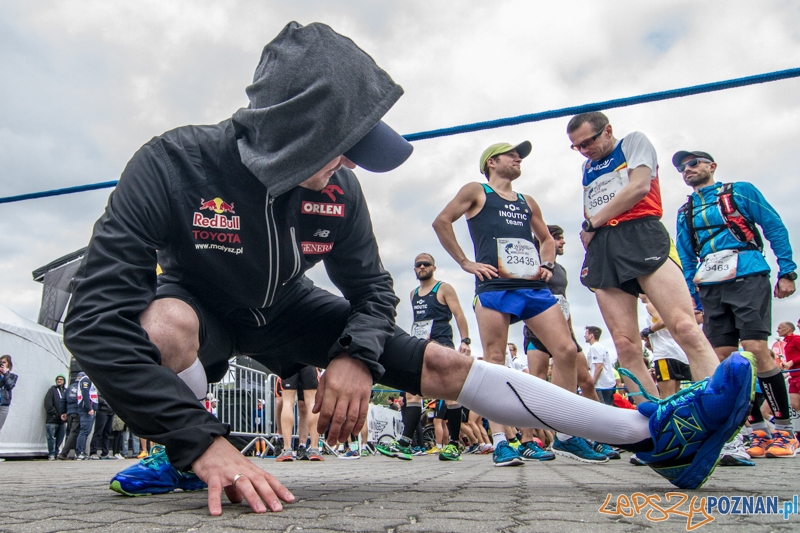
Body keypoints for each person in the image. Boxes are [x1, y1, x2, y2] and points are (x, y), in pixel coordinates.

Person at [63, 22, 756, 516]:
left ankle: (659, 435)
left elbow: (370, 289)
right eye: (346, 148)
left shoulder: (339, 190)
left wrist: (358, 355)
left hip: (289, 307)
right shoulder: (174, 163)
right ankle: (183, 458)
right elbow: (90, 320)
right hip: (203, 307)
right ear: (294, 133)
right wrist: (204, 440)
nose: (356, 166)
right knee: (163, 320)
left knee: (445, 364)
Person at [433, 141, 609, 465]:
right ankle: (501, 441)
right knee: (496, 360)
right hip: (494, 286)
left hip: (531, 287)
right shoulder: (477, 191)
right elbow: (442, 221)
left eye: (520, 156)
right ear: (491, 162)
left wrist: (547, 265)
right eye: (512, 154)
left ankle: (567, 433)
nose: (518, 159)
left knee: (567, 351)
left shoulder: (528, 201)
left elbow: (546, 240)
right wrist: (464, 262)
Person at [566, 113, 720, 402]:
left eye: (589, 141)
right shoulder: (587, 167)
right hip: (604, 245)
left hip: (641, 233)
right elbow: (594, 204)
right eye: (577, 146)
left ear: (608, 130)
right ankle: (656, 427)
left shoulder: (633, 142)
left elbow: (638, 187)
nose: (585, 150)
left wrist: (592, 223)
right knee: (625, 345)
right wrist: (591, 230)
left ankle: (722, 413)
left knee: (684, 327)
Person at [673, 149, 798, 459]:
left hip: (748, 273)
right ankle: (756, 429)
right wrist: (694, 295)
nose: (687, 169)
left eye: (694, 163)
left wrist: (788, 270)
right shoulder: (684, 211)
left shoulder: (740, 191)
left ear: (711, 166)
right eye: (682, 167)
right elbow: (686, 255)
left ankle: (785, 429)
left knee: (755, 347)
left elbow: (774, 225)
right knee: (723, 358)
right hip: (710, 284)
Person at [521, 224, 608, 461]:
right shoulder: (531, 265)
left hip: (564, 332)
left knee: (587, 381)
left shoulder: (559, 269)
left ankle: (600, 436)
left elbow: (564, 302)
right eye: (558, 239)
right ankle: (526, 441)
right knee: (536, 383)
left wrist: (571, 331)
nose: (563, 243)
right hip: (537, 332)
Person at [378, 253, 471, 461]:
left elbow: (459, 314)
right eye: (418, 265)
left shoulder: (443, 288)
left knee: (450, 394)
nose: (422, 267)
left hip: (442, 345)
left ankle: (454, 445)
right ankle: (404, 442)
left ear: (433, 267)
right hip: (419, 345)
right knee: (412, 394)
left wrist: (465, 341)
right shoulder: (413, 294)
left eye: (426, 264)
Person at [639, 295, 692, 399]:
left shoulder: (651, 305)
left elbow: (662, 321)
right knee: (675, 396)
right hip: (677, 353)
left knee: (666, 397)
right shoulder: (666, 306)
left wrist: (648, 330)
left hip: (664, 353)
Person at [277, 366, 323, 462]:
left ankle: (287, 449)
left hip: (289, 361)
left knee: (288, 403)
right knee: (311, 403)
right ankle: (314, 449)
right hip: (308, 360)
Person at [584, 327, 616, 406]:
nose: (584, 336)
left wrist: (592, 382)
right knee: (608, 407)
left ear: (591, 335)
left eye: (586, 334)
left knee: (602, 409)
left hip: (601, 385)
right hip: (608, 383)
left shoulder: (594, 347)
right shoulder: (601, 347)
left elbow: (599, 366)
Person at [44, 374, 67, 460]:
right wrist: (54, 413)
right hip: (52, 419)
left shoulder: (65, 391)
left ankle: (57, 452)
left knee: (60, 437)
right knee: (51, 437)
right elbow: (48, 403)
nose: (59, 381)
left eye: (61, 379)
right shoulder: (52, 390)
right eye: (58, 379)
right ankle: (51, 454)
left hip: (62, 420)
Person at [90, 391, 116, 459]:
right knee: (98, 432)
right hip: (102, 411)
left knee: (107, 433)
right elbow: (97, 397)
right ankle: (93, 452)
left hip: (110, 412)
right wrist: (107, 403)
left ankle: (105, 452)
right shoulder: (101, 386)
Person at [0, 355, 18, 435]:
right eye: (1, 362)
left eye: (4, 362)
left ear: (8, 364)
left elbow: (10, 386)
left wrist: (5, 374)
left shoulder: (13, 376)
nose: (2, 364)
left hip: (4, 404)